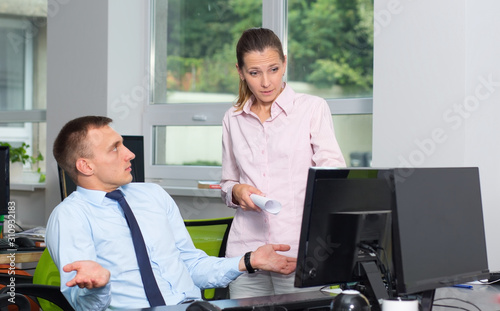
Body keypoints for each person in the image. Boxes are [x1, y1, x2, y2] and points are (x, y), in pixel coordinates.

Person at [46, 116, 297, 311]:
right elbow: (84, 306)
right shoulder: (69, 217)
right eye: (115, 148)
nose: (129, 153)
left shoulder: (153, 195)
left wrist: (250, 260)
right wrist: (97, 287)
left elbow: (192, 266)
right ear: (85, 165)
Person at [221, 28, 346, 298]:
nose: (266, 82)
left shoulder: (312, 109)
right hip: (248, 254)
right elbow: (228, 181)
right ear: (240, 72)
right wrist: (236, 191)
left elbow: (332, 182)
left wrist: (314, 249)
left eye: (274, 69)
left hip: (298, 254)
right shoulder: (233, 118)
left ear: (285, 63)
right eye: (254, 73)